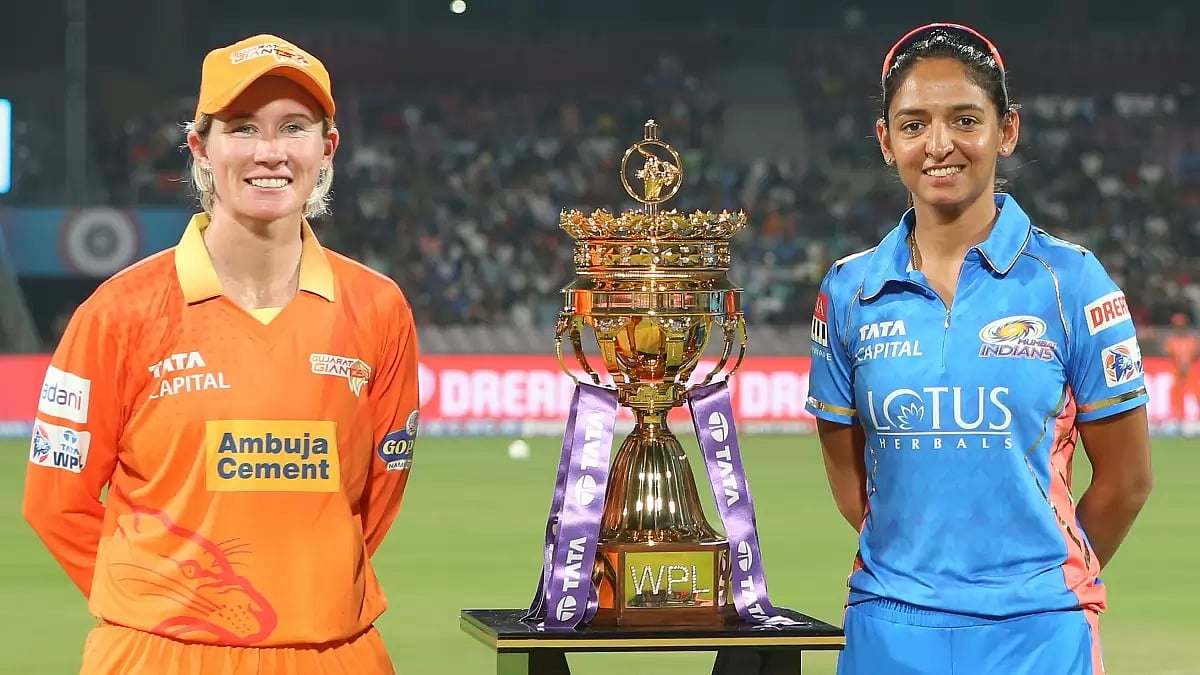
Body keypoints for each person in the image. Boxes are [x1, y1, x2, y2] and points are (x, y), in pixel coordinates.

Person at [22, 34, 419, 675]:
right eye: (241, 128)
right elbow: (55, 502)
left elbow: (378, 497)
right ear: (201, 148)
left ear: (327, 146)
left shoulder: (378, 308)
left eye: (293, 127)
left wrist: (302, 596)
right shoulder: (119, 311)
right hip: (156, 655)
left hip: (334, 653)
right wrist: (166, 606)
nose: (270, 152)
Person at [805, 23, 1153, 675]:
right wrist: (925, 581)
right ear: (886, 142)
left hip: (1039, 637)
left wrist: (1033, 586)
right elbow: (854, 485)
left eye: (965, 119)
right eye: (913, 124)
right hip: (891, 629)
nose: (940, 144)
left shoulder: (1071, 281)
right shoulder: (848, 291)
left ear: (1007, 130)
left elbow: (1128, 481)